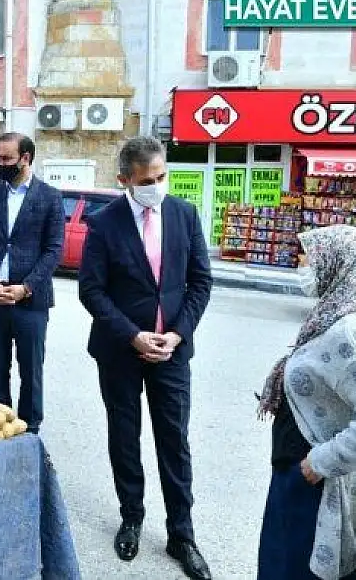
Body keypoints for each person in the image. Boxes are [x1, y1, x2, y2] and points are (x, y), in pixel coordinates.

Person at [78, 137, 213, 580]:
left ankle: (182, 534)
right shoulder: (104, 223)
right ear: (125, 181)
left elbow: (200, 283)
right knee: (125, 435)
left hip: (172, 350)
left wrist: (176, 334)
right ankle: (131, 515)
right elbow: (91, 291)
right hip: (120, 350)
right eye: (146, 181)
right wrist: (133, 335)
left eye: (161, 177)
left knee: (174, 439)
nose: (156, 186)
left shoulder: (184, 214)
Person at [256, 224, 356, 580]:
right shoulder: (335, 313)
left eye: (311, 258)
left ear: (340, 263)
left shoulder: (349, 332)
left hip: (312, 483)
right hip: (298, 473)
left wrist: (321, 462)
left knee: (291, 569)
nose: (303, 264)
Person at [0, 132, 64, 435]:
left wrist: (27, 287)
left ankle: (30, 433)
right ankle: (0, 430)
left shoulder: (50, 197)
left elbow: (53, 250)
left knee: (31, 371)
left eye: (6, 158)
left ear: (26, 158)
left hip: (30, 302)